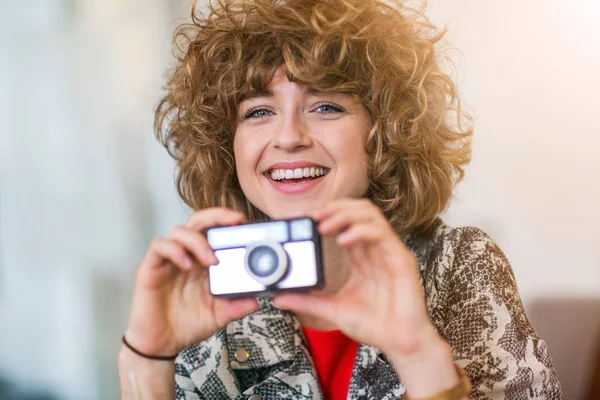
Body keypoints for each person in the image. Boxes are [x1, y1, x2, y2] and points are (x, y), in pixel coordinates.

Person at [118, 0, 563, 399]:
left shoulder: (457, 263)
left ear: (384, 132)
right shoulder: (209, 292)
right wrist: (148, 360)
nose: (289, 137)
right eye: (258, 111)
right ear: (226, 145)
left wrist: (416, 352)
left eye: (325, 106)